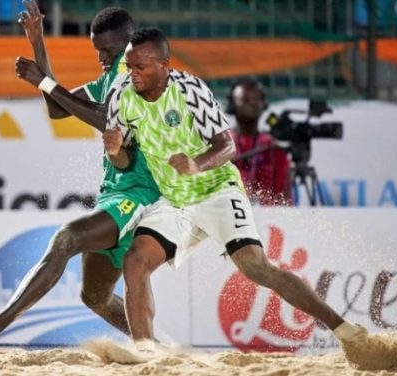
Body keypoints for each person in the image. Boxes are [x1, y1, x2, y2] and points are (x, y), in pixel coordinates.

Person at [102, 27, 367, 347]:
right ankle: (146, 350)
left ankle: (343, 329)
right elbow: (123, 163)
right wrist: (116, 151)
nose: (133, 74)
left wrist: (196, 163)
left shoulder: (190, 90)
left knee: (256, 266)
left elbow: (226, 147)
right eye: (129, 66)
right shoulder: (121, 96)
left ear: (164, 64)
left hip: (216, 190)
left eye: (140, 66)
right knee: (135, 261)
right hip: (174, 199)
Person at [0, 3, 161, 354]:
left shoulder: (135, 79)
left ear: (128, 43)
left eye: (108, 51)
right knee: (94, 296)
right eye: (97, 51)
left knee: (66, 238)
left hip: (140, 194)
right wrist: (38, 43)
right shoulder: (108, 78)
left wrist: (46, 81)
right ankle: (156, 347)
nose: (101, 58)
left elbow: (105, 121)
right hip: (116, 193)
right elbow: (57, 107)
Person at [227, 78, 292, 206]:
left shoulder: (274, 149)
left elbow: (285, 201)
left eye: (256, 99)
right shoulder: (221, 145)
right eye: (246, 99)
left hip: (269, 221)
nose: (252, 103)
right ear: (233, 104)